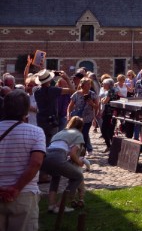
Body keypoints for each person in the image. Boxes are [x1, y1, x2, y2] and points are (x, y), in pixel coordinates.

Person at [0, 89, 46, 231]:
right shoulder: (36, 132)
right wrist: (16, 188)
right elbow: (36, 163)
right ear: (26, 110)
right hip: (24, 193)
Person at [40, 116, 85, 214]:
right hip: (58, 156)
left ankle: (51, 205)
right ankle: (60, 206)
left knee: (55, 176)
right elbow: (73, 154)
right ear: (81, 127)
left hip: (46, 156)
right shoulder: (78, 134)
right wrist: (79, 162)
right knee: (78, 177)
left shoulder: (60, 133)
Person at [33, 70, 72, 145]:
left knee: (41, 141)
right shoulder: (53, 90)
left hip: (40, 120)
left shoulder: (36, 90)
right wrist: (67, 79)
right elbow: (72, 90)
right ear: (49, 80)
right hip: (51, 121)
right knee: (52, 142)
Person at [66, 78, 99, 153]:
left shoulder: (92, 94)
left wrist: (92, 103)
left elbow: (97, 107)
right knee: (76, 134)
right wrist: (68, 114)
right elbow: (70, 106)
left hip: (88, 118)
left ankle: (82, 151)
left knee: (84, 134)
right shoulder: (76, 94)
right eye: (87, 84)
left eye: (90, 84)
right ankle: (76, 150)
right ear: (82, 85)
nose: (89, 86)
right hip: (77, 118)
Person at [99, 79, 120, 149]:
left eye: (104, 84)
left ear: (108, 85)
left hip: (109, 112)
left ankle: (109, 146)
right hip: (112, 112)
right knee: (110, 130)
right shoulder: (113, 90)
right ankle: (111, 146)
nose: (103, 85)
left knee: (104, 130)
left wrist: (102, 100)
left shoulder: (110, 91)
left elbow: (105, 101)